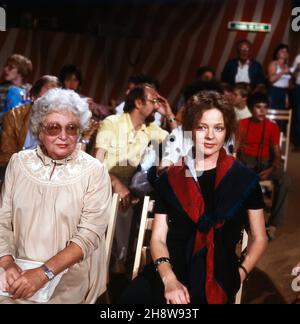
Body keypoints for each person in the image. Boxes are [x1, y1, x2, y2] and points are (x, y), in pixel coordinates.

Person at [120, 91, 268, 304]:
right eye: (202, 127)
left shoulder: (244, 180)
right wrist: (169, 279)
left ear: (227, 133)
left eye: (218, 128)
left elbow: (260, 238)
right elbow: (158, 238)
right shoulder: (171, 178)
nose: (210, 136)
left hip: (218, 277)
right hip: (168, 269)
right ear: (190, 130)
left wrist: (240, 274)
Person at [0, 88, 112, 304]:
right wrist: (6, 262)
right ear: (39, 130)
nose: (63, 136)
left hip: (68, 273)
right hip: (16, 265)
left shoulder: (94, 171)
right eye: (53, 128)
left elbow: (88, 237)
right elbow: (3, 220)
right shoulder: (18, 163)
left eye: (71, 128)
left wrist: (43, 273)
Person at [95, 83, 170, 270]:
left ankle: (115, 270)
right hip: (99, 182)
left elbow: (176, 142)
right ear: (138, 102)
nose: (156, 106)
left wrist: (169, 115)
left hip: (125, 189)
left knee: (128, 207)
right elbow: (96, 163)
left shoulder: (150, 128)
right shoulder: (113, 122)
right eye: (153, 101)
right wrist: (114, 181)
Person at [235, 92, 291, 240]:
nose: (262, 111)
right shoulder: (242, 124)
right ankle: (241, 222)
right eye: (258, 107)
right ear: (251, 108)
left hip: (265, 163)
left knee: (285, 180)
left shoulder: (272, 127)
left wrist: (271, 169)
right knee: (238, 181)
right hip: (246, 163)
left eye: (265, 107)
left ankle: (273, 224)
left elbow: (277, 154)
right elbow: (235, 150)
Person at [0, 75, 60, 170]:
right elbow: (7, 153)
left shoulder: (58, 123)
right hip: (14, 168)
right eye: (43, 99)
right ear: (33, 97)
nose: (48, 106)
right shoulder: (14, 116)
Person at [267, 44, 291, 110]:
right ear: (277, 54)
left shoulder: (286, 66)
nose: (285, 53)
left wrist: (287, 98)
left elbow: (286, 84)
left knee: (281, 116)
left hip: (283, 92)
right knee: (272, 115)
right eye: (282, 51)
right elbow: (271, 79)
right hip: (274, 91)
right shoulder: (273, 63)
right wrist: (282, 72)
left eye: (286, 51)